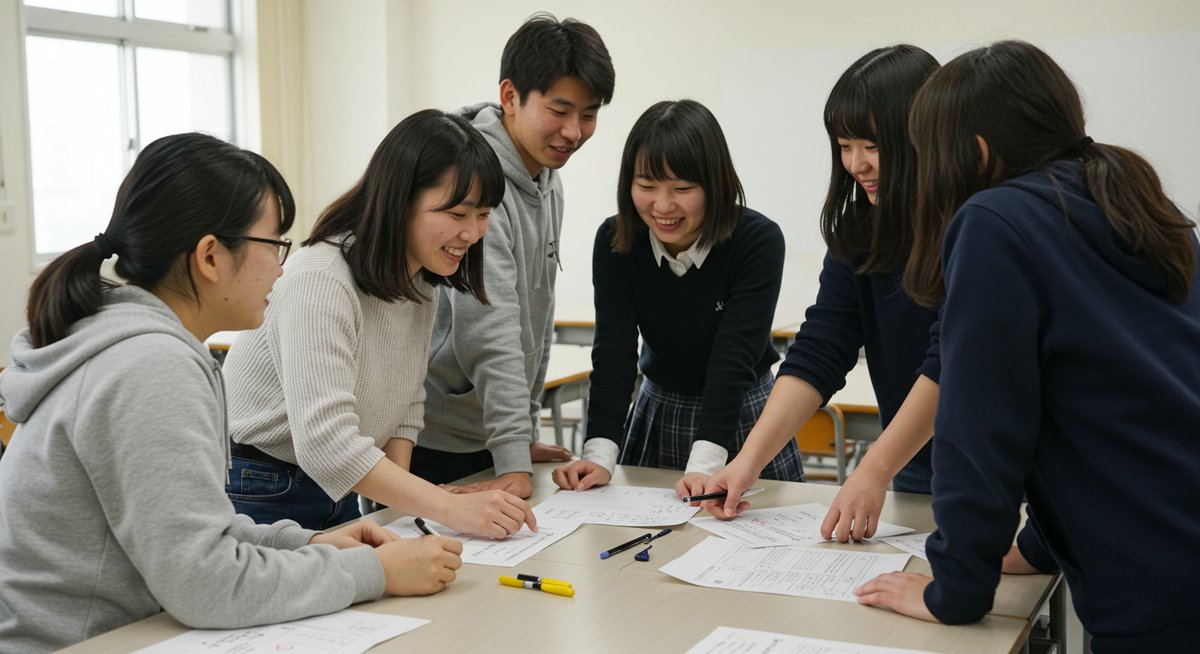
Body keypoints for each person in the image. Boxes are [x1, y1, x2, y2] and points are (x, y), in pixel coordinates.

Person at [0, 133, 464, 653]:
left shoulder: (138, 344)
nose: (281, 267)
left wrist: (308, 542)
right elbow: (206, 585)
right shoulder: (149, 367)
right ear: (210, 257)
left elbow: (199, 531)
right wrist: (372, 572)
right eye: (273, 245)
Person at [853, 41, 1200, 649]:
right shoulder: (1130, 199)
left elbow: (981, 428)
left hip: (1158, 582)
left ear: (978, 151)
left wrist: (956, 590)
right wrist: (1039, 546)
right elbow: (1113, 392)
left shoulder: (996, 220)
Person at [222, 110, 537, 537]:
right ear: (400, 201)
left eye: (483, 214)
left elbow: (405, 403)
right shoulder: (321, 279)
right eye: (458, 214)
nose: (474, 233)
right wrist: (446, 506)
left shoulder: (419, 280)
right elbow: (328, 446)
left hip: (334, 487)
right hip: (263, 486)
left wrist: (400, 511)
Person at [698, 45, 941, 539]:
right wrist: (746, 462)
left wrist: (873, 469)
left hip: (1002, 465)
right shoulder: (861, 230)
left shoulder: (973, 225)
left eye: (872, 146)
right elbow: (821, 349)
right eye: (844, 145)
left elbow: (954, 361)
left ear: (924, 136)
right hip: (916, 463)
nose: (856, 164)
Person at [551, 99, 802, 497]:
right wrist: (598, 455)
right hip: (660, 407)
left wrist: (706, 465)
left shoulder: (755, 240)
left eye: (682, 189)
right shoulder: (617, 241)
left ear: (714, 185)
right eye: (646, 187)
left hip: (742, 413)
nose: (663, 206)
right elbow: (614, 349)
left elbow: (733, 356)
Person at [413, 13, 615, 498]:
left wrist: (518, 442)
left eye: (588, 114)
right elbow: (490, 328)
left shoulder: (548, 179)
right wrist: (513, 460)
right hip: (435, 439)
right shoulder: (475, 181)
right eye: (560, 110)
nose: (574, 131)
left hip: (484, 435)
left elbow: (535, 316)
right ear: (510, 96)